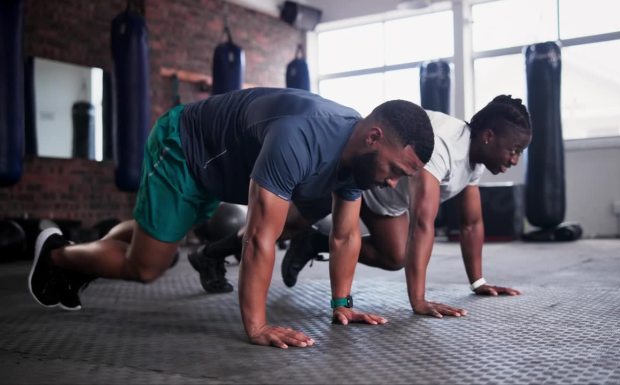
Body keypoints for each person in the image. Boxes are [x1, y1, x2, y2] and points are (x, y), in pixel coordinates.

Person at [28, 87, 435, 349]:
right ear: (374, 138)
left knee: (159, 239)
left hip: (222, 172)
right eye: (396, 170)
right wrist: (257, 327)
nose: (391, 183)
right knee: (148, 265)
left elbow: (346, 236)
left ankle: (121, 241)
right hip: (186, 148)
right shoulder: (301, 137)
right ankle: (58, 255)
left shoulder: (358, 161)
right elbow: (258, 239)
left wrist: (342, 304)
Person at [189, 95, 532, 320]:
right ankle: (212, 254)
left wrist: (478, 282)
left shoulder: (474, 163)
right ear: (488, 136)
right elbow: (422, 224)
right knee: (279, 226)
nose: (514, 160)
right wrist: (419, 302)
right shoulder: (444, 146)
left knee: (394, 256)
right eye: (513, 150)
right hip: (367, 175)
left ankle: (312, 242)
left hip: (385, 193)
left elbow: (471, 224)